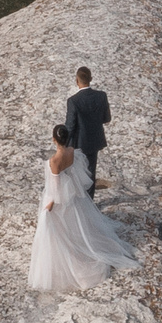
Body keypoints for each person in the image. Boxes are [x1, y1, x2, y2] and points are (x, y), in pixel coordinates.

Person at [29, 124, 141, 294]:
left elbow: (55, 188)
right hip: (73, 198)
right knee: (75, 227)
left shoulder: (54, 161)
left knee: (57, 230)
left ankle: (70, 262)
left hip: (59, 201)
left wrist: (48, 207)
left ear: (54, 140)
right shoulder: (72, 151)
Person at [63, 66, 111, 198]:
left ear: (76, 80)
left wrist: (63, 143)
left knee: (76, 173)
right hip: (95, 140)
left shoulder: (73, 101)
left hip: (78, 143)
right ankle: (89, 202)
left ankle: (79, 202)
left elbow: (70, 125)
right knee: (91, 172)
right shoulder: (101, 96)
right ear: (91, 79)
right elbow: (106, 118)